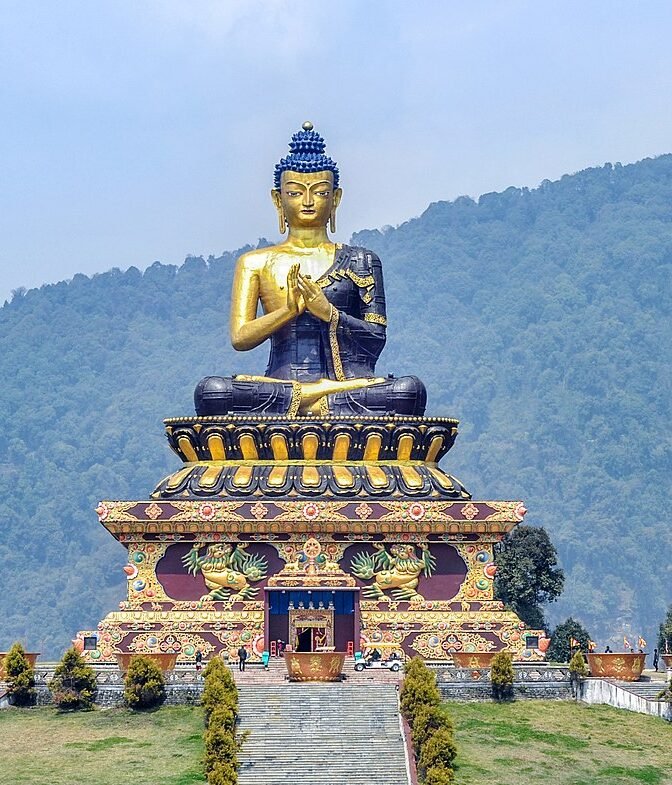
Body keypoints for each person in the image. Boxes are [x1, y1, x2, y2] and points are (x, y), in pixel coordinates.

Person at [194, 122, 426, 418]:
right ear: (278, 199)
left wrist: (328, 313)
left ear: (335, 198)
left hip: (349, 385)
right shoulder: (255, 262)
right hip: (281, 384)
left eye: (319, 192)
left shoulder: (362, 261)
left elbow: (376, 336)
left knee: (408, 391)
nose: (307, 202)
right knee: (213, 392)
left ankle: (311, 399)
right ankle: (318, 397)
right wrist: (289, 311)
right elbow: (240, 338)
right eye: (294, 193)